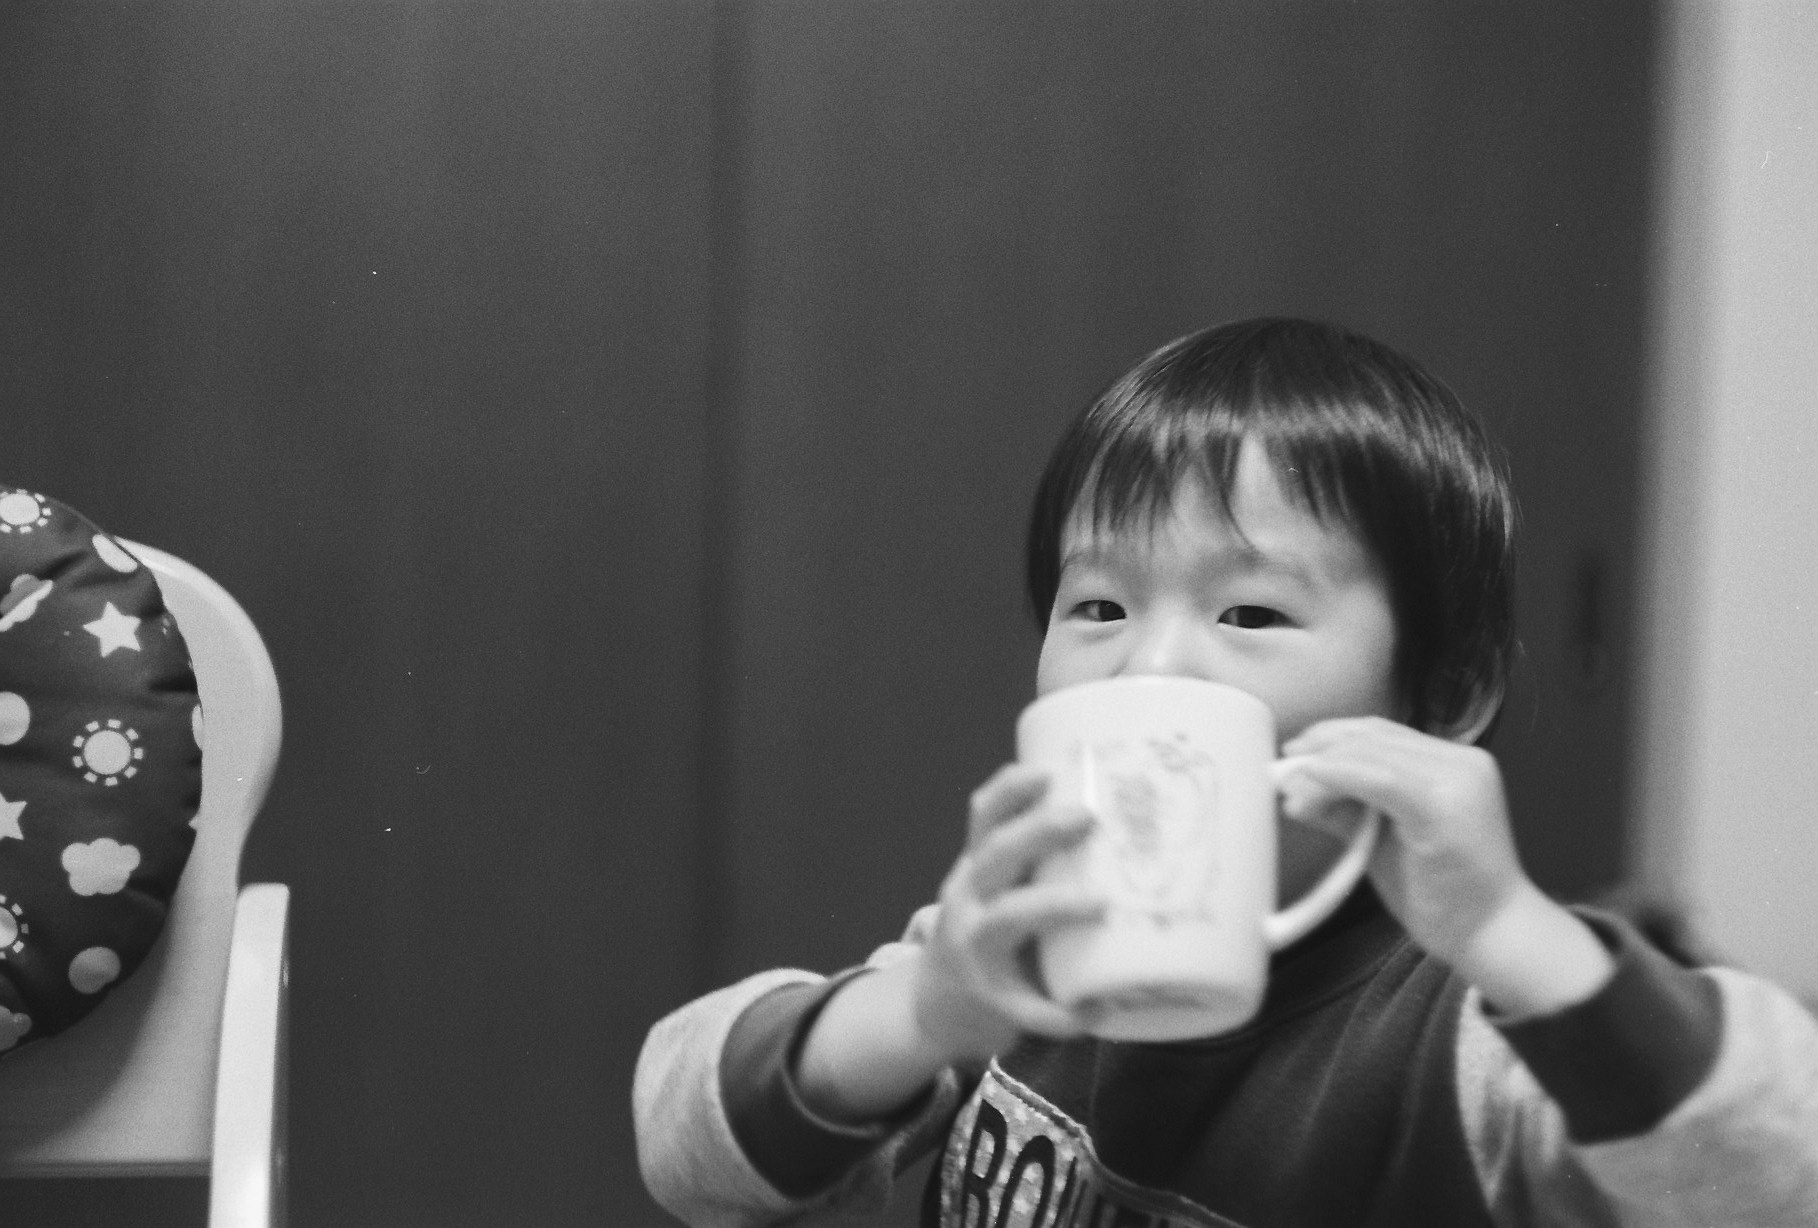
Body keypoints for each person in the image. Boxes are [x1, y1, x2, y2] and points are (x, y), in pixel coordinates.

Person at [635, 317, 1818, 1227]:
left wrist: (1513, 931)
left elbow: (1783, 1174)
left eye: (1249, 612)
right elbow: (682, 1144)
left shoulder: (1474, 1046)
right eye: (1098, 606)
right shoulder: (1011, 961)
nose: (1149, 664)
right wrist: (914, 1014)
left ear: (1442, 694)